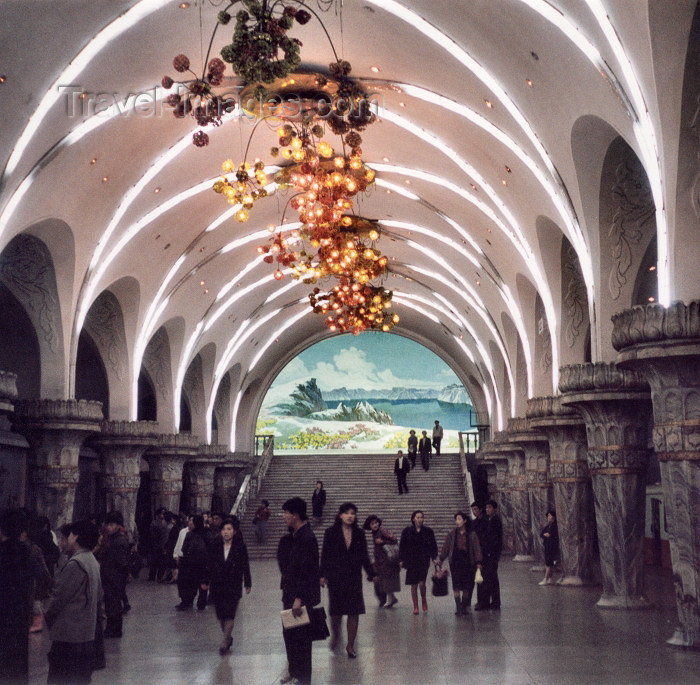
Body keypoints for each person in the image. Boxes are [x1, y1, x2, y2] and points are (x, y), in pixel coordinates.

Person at [44, 520, 102, 685]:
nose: (61, 543)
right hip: (85, 634)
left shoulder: (76, 564)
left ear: (75, 537)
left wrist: (48, 618)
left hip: (70, 636)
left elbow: (58, 599)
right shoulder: (91, 560)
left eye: (64, 538)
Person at [320, 503, 374, 659]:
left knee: (353, 611)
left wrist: (371, 573)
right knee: (336, 612)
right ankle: (336, 635)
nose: (350, 516)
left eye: (353, 513)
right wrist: (322, 574)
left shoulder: (359, 533)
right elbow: (325, 554)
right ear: (340, 515)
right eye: (347, 513)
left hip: (353, 578)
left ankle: (350, 645)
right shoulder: (330, 532)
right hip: (336, 577)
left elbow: (364, 555)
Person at [278, 497, 320, 685]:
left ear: (295, 515)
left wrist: (299, 598)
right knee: (290, 634)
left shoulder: (307, 538)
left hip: (299, 596)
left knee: (301, 639)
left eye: (286, 513)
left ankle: (303, 678)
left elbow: (308, 571)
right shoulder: (296, 535)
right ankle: (295, 672)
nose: (284, 516)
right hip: (291, 592)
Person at [204, 516, 251, 654]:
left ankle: (225, 641)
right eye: (224, 529)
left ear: (234, 532)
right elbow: (209, 564)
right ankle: (228, 636)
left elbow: (245, 565)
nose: (226, 532)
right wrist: (205, 581)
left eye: (229, 529)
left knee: (230, 613)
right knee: (221, 614)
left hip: (233, 584)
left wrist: (247, 582)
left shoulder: (240, 547)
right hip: (217, 584)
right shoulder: (214, 546)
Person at [0, 509, 33, 685]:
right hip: (19, 613)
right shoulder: (26, 551)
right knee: (19, 659)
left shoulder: (3, 551)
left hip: (3, 613)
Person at [438, 511, 483, 614]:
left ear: (465, 521)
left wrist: (479, 562)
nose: (457, 521)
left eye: (459, 519)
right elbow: (446, 547)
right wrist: (441, 559)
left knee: (467, 586)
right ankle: (458, 607)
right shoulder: (452, 534)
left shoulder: (472, 534)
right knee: (456, 585)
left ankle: (464, 605)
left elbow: (477, 548)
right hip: (456, 562)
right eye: (456, 519)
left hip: (468, 562)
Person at [95, 511, 129, 638]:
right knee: (110, 604)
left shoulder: (119, 541)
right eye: (107, 524)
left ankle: (114, 629)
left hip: (114, 577)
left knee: (113, 604)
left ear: (118, 526)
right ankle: (112, 628)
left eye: (112, 524)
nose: (109, 527)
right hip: (110, 576)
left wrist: (116, 577)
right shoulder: (113, 539)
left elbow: (122, 563)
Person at [399, 510, 438, 614]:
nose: (420, 519)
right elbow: (402, 546)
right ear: (413, 519)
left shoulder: (428, 531)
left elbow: (433, 545)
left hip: (423, 561)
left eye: (421, 517)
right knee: (413, 585)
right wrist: (401, 559)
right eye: (418, 517)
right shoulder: (407, 531)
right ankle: (415, 606)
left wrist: (434, 557)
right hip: (411, 561)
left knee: (421, 583)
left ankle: (424, 599)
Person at [363, 515, 400, 608]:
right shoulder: (374, 533)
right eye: (372, 524)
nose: (375, 525)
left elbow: (394, 539)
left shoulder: (382, 530)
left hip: (386, 560)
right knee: (384, 580)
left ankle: (390, 599)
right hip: (381, 561)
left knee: (385, 580)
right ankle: (391, 598)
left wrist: (383, 542)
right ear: (369, 526)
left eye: (376, 522)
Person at [176, 514, 209, 611]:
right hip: (200, 564)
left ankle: (189, 602)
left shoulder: (191, 534)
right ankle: (198, 603)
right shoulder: (206, 534)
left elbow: (184, 549)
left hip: (193, 564)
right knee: (199, 584)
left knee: (193, 584)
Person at [474, 499, 503, 610]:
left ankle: (494, 602)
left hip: (492, 555)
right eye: (486, 508)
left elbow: (495, 539)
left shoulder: (495, 521)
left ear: (494, 509)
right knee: (487, 578)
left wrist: (493, 553)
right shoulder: (488, 520)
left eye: (489, 507)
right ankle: (487, 601)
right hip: (487, 554)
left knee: (491, 578)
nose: (487, 509)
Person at [539, 509, 559, 585]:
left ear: (553, 517)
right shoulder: (548, 526)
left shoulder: (555, 526)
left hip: (552, 546)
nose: (548, 517)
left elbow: (552, 535)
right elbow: (541, 534)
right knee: (548, 562)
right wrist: (545, 535)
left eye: (549, 515)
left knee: (548, 563)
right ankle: (550, 578)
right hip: (547, 546)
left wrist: (547, 535)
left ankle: (545, 579)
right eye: (547, 516)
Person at [147, 508, 168, 581]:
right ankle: (152, 576)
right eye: (162, 513)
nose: (163, 515)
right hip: (156, 545)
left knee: (162, 562)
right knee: (154, 561)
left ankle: (160, 576)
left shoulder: (166, 523)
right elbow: (152, 535)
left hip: (163, 545)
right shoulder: (154, 523)